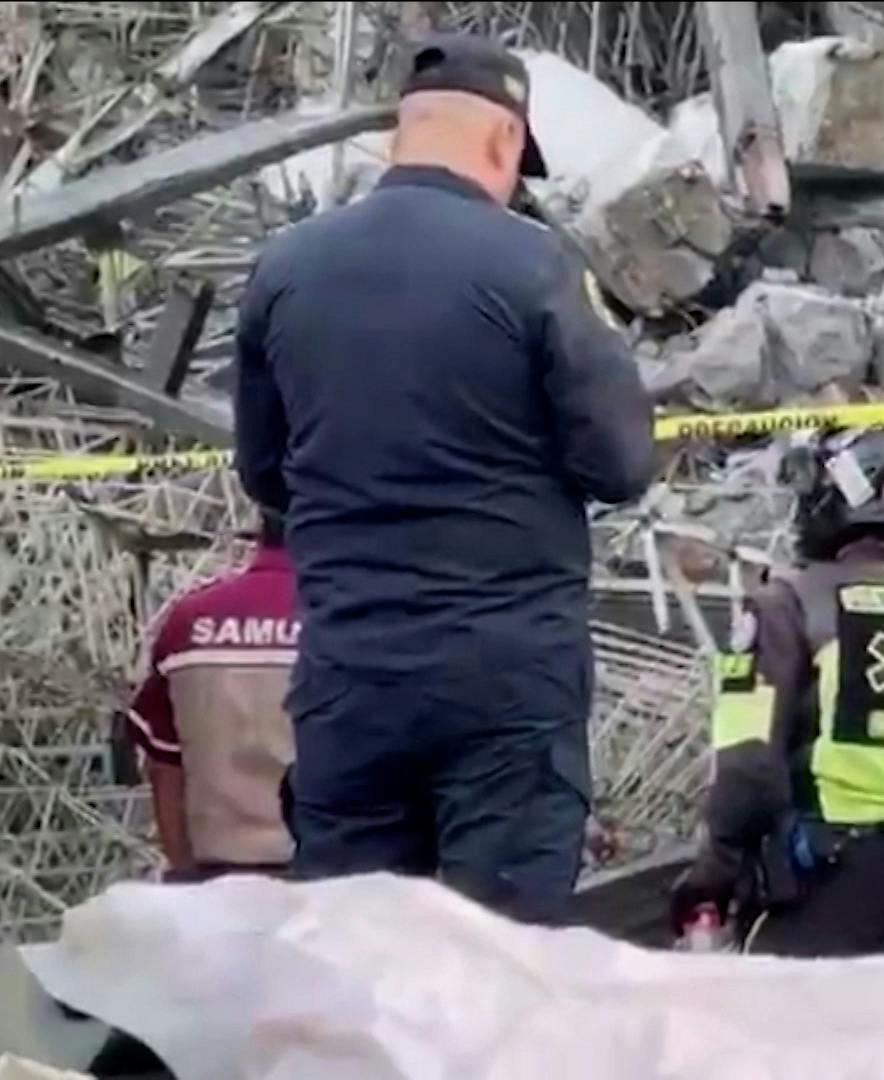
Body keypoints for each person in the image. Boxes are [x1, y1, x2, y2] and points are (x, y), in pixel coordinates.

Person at [232, 34, 656, 925]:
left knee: (353, 963)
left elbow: (265, 475)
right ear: (503, 140)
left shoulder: (285, 269)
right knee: (497, 968)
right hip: (505, 684)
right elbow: (621, 465)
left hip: (352, 680)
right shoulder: (534, 265)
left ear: (403, 131)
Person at [668, 426, 884, 957]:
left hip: (818, 876)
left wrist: (714, 875)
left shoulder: (784, 607)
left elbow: (749, 766)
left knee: (794, 1038)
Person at [121, 509, 299, 883]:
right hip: (327, 885)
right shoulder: (348, 622)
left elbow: (164, 766)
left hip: (215, 877)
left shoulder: (189, 619)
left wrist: (184, 874)